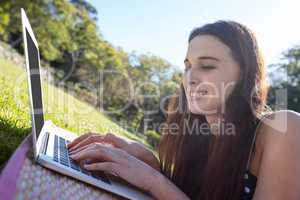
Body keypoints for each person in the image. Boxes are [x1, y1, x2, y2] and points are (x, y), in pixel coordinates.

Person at [67, 21, 300, 200]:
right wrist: (151, 164)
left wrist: (154, 182)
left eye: (207, 65)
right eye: (187, 66)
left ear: (245, 74)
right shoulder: (198, 135)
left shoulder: (283, 130)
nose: (190, 78)